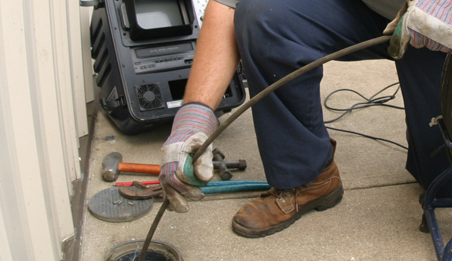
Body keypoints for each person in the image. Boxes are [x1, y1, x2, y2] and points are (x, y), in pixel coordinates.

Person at [159, 0, 452, 238]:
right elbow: (227, 3)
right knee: (267, 14)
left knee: (442, 183)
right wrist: (194, 116)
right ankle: (307, 176)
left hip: (441, 24)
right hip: (368, 9)